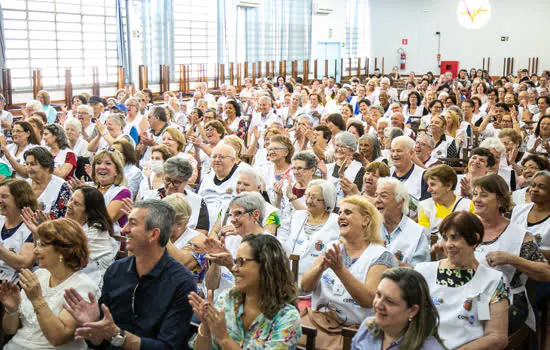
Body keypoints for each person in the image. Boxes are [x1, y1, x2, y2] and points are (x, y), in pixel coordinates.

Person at [63, 199, 197, 349]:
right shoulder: (116, 271)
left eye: (132, 223)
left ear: (153, 234)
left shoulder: (182, 282)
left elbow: (168, 347)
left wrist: (118, 335)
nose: (123, 230)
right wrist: (93, 326)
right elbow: (100, 342)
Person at [301, 195, 398, 349]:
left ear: (366, 220)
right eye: (340, 213)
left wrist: (339, 270)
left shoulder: (380, 256)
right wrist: (320, 268)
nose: (341, 217)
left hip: (353, 332)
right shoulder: (331, 247)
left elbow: (369, 300)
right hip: (318, 322)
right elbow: (305, 287)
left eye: (348, 212)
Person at [189, 234, 302, 349]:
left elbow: (222, 337)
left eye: (241, 262)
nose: (233, 268)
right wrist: (206, 326)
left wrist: (224, 338)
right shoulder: (227, 299)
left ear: (265, 265)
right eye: (235, 262)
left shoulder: (287, 317)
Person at [415, 212, 509, 349]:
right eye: (445, 238)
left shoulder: (490, 281)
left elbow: (496, 337)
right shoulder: (423, 272)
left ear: (474, 239)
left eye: (454, 238)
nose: (448, 245)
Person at [0, 219, 98, 349]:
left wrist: (37, 300)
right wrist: (11, 309)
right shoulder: (40, 275)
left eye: (42, 245)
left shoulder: (83, 286)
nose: (35, 250)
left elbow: (57, 338)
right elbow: (10, 330)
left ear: (62, 250)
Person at [472, 174, 550, 331]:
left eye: (484, 195)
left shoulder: (519, 235)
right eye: (475, 194)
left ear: (500, 201)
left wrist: (511, 259)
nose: (476, 199)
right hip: (471, 296)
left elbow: (546, 272)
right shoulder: (468, 228)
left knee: (475, 325)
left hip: (504, 300)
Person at [351, 268, 445, 350]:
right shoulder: (367, 329)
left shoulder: (429, 347)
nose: (378, 305)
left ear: (412, 310)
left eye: (389, 301)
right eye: (378, 295)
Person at [204, 192, 268, 295]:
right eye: (231, 215)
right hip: (221, 304)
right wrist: (216, 263)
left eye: (238, 214)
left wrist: (229, 264)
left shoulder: (270, 245)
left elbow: (259, 287)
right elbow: (210, 286)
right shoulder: (229, 241)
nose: (232, 220)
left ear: (256, 214)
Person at [286, 180, 339, 279]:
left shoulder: (336, 222)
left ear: (326, 201)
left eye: (314, 198)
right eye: (308, 196)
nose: (309, 201)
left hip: (319, 281)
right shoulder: (297, 216)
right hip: (291, 278)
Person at [375, 178, 430, 267]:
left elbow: (420, 272)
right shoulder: (369, 227)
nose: (377, 200)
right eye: (376, 195)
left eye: (383, 196)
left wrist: (389, 261)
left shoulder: (417, 233)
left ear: (400, 202)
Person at [211, 165, 280, 237]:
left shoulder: (270, 212)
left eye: (246, 184)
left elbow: (268, 241)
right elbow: (214, 232)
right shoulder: (227, 206)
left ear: (258, 187)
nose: (240, 188)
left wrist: (242, 230)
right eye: (238, 183)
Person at [418, 164, 474, 235]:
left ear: (448, 186)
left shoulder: (469, 206)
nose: (428, 190)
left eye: (433, 185)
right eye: (428, 185)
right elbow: (424, 237)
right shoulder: (425, 206)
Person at [0, 179, 37, 282]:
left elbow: (25, 263)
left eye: (4, 196)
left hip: (15, 285)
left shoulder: (32, 227)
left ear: (19, 199)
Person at [160, 157, 210, 233]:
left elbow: (202, 230)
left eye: (176, 182)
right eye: (167, 180)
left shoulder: (197, 201)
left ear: (186, 181)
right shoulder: (151, 197)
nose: (170, 186)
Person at [198, 143, 239, 227]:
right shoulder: (207, 178)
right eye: (214, 157)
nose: (217, 160)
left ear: (233, 160)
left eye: (221, 157)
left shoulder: (241, 178)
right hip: (203, 225)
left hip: (229, 225)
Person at [25, 146, 72, 219]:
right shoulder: (24, 185)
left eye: (33, 164)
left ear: (46, 166)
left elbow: (63, 217)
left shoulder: (62, 187)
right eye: (27, 164)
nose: (28, 168)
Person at [390, 136, 430, 201]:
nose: (394, 154)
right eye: (392, 151)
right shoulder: (387, 172)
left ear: (411, 153)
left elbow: (427, 205)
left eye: (399, 151)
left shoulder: (423, 176)